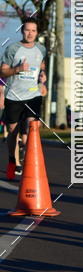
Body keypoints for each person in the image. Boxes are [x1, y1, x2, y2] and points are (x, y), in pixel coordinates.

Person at [0, 19, 47, 180]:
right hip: (14, 96)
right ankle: (12, 161)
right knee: (12, 132)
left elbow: (42, 66)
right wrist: (18, 69)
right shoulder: (13, 48)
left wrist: (42, 77)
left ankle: (28, 162)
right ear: (22, 31)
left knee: (31, 128)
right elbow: (3, 71)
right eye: (27, 30)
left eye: (33, 30)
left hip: (33, 95)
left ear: (37, 32)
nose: (30, 33)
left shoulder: (41, 49)